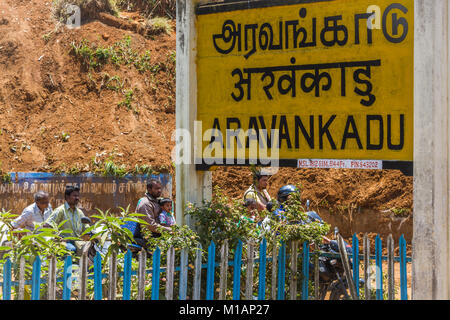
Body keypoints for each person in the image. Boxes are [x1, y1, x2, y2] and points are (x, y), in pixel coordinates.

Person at [46, 185, 90, 255]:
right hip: (64, 242)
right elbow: (47, 225)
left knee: (90, 249)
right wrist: (58, 238)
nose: (77, 198)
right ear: (67, 197)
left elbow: (86, 227)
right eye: (74, 196)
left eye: (78, 196)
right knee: (71, 249)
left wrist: (90, 233)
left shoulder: (79, 212)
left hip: (77, 241)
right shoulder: (60, 210)